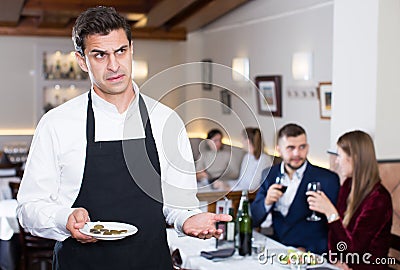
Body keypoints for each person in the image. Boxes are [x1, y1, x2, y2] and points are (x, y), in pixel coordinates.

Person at [16, 6, 230, 270]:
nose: (114, 65)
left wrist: (187, 220)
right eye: (100, 55)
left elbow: (178, 205)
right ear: (82, 60)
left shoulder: (166, 120)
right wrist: (64, 218)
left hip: (150, 261)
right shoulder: (57, 124)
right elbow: (28, 209)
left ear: (131, 49)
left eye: (120, 51)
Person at [307, 130, 392, 269]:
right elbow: (335, 236)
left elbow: (354, 250)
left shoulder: (379, 199)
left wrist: (331, 213)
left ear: (355, 158)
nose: (337, 161)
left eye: (340, 155)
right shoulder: (348, 185)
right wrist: (335, 260)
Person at [251, 123, 340, 254]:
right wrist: (266, 202)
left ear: (308, 148)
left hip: (312, 254)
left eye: (302, 147)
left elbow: (334, 229)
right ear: (279, 150)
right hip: (278, 250)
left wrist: (310, 251)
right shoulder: (269, 174)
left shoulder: (328, 179)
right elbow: (254, 218)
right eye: (290, 148)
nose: (297, 153)